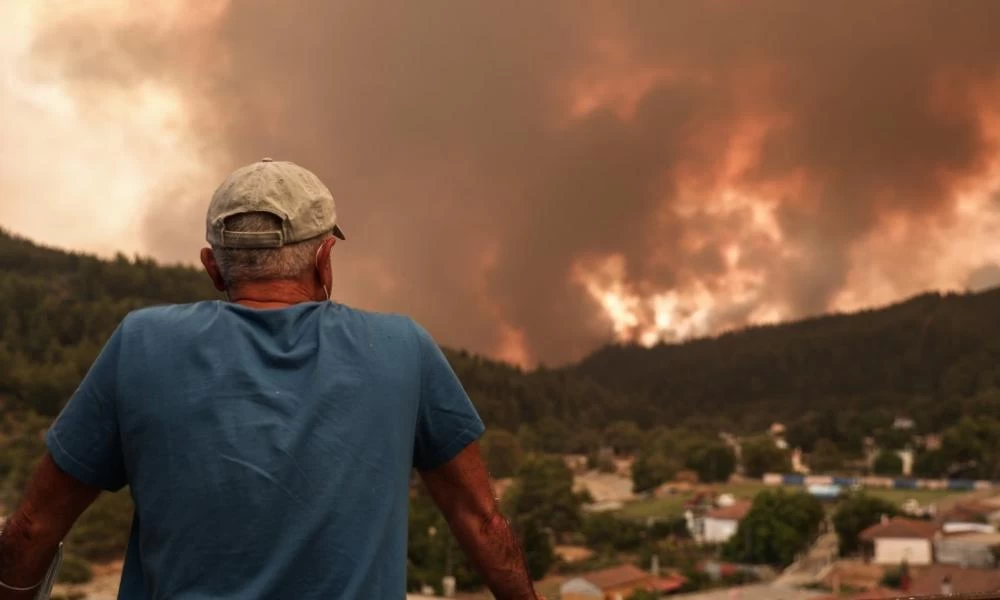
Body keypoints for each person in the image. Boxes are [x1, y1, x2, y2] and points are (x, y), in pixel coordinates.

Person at [0, 159, 542, 599]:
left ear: (213, 267)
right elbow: (482, 523)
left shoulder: (141, 343)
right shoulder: (403, 347)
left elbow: (33, 528)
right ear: (325, 259)